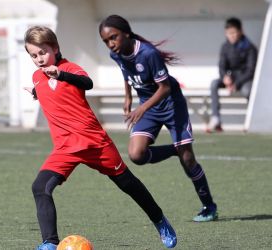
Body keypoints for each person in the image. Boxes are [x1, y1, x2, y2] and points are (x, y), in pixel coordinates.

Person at [24, 25, 177, 250]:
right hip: (65, 148)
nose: (39, 59)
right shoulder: (37, 76)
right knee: (40, 188)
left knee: (128, 184)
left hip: (94, 143)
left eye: (43, 52)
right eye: (33, 55)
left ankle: (160, 220)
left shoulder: (70, 69)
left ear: (55, 48)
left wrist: (60, 74)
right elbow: (51, 93)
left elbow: (87, 83)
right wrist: (36, 93)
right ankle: (49, 243)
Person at [98, 15, 218, 223]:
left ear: (126, 33)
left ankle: (209, 206)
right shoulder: (116, 54)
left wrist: (141, 108)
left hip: (171, 105)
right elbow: (125, 73)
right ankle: (174, 150)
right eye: (106, 41)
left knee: (188, 159)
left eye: (113, 37)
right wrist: (127, 97)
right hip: (149, 106)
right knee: (136, 155)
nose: (111, 44)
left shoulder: (148, 54)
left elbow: (165, 87)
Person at [208, 17, 258, 132]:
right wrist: (224, 77)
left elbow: (251, 70)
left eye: (234, 32)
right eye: (229, 33)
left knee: (248, 91)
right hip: (231, 79)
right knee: (214, 84)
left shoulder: (250, 48)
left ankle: (252, 121)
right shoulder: (225, 47)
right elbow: (221, 66)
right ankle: (216, 118)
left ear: (240, 31)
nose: (232, 36)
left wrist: (236, 83)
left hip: (245, 80)